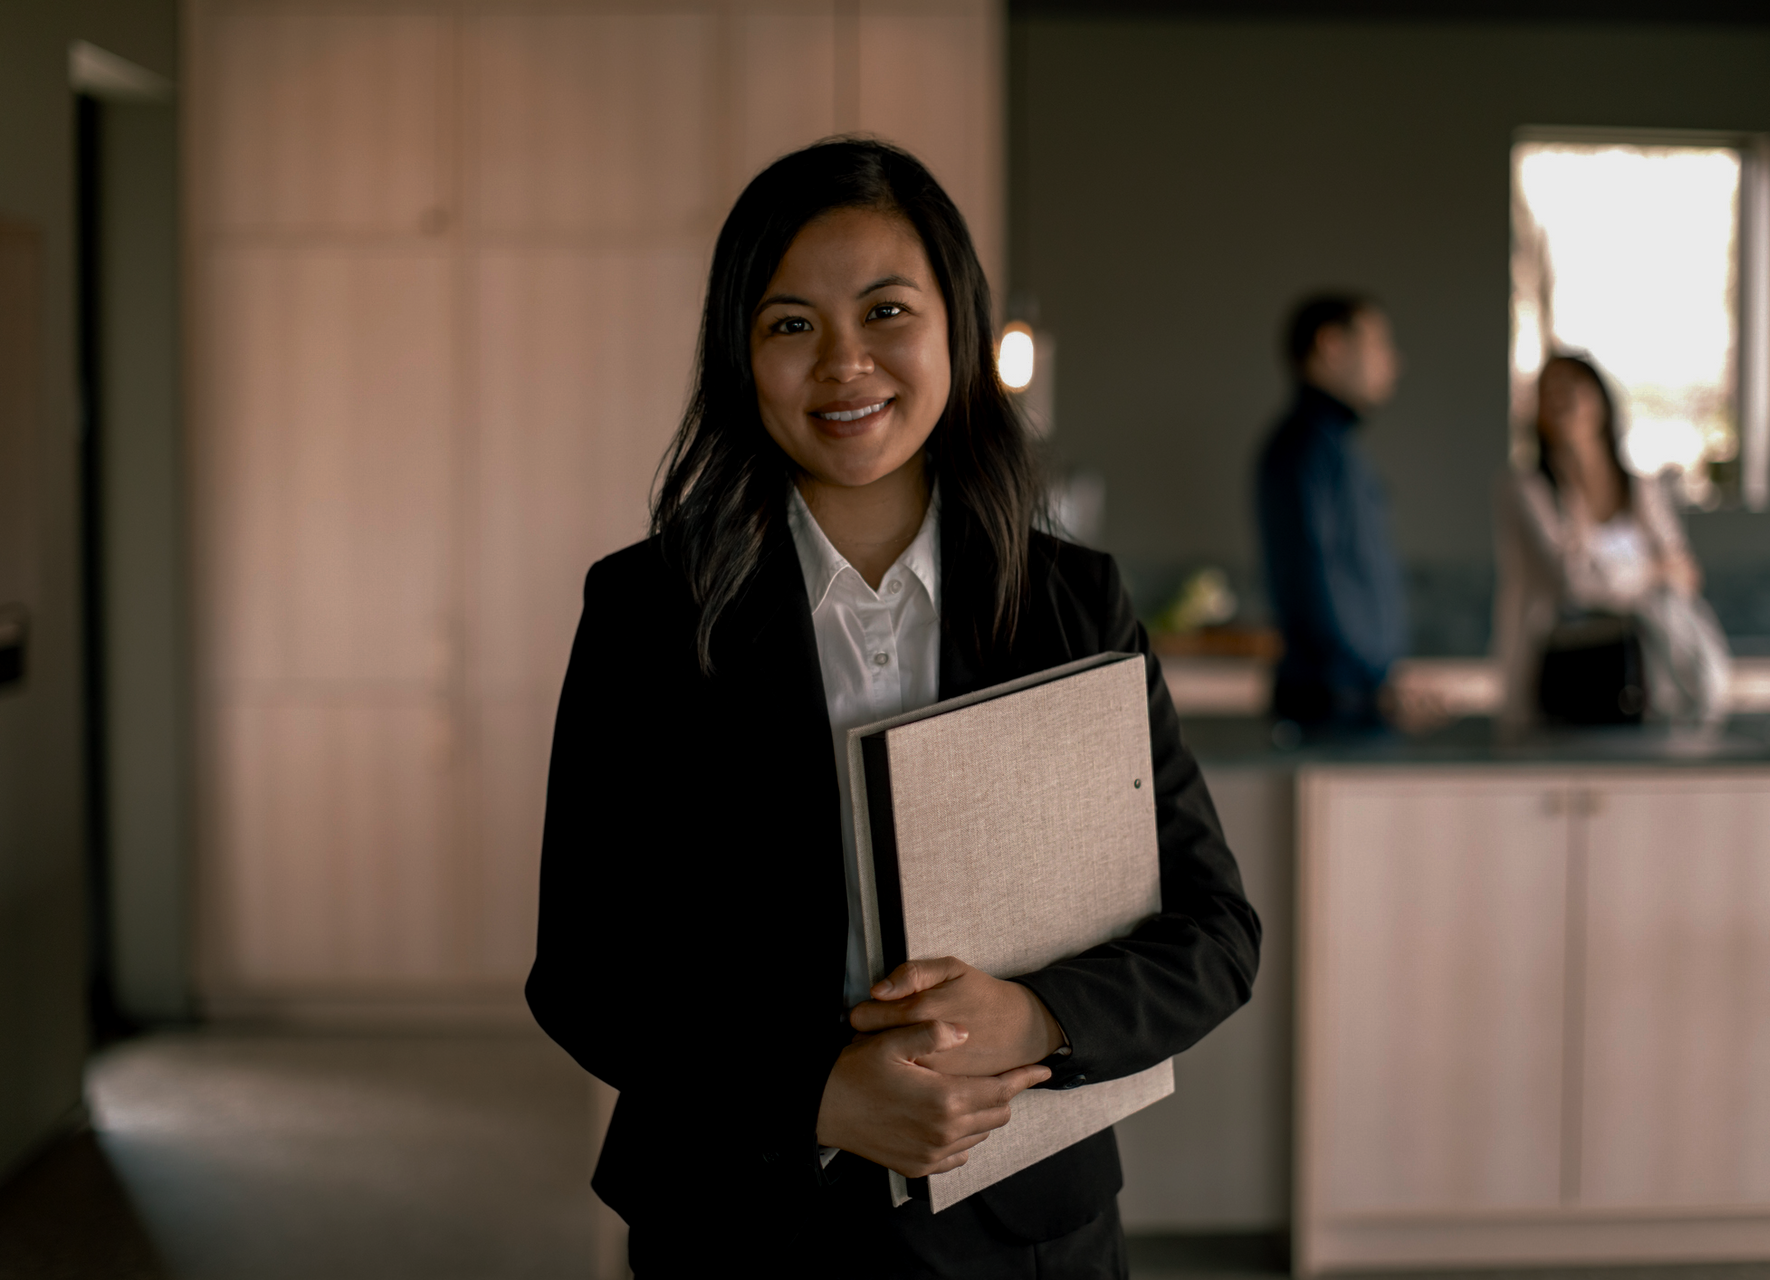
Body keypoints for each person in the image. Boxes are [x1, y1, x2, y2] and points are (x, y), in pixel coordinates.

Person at [525, 139, 1260, 1277]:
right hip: (737, 1215)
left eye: (885, 311)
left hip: (1029, 1229)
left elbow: (1215, 932)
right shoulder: (645, 610)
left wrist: (1036, 1018)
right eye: (791, 324)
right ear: (741, 352)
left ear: (955, 329)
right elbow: (587, 967)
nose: (844, 362)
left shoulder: (1070, 601)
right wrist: (814, 1093)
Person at [1494, 353, 1731, 733]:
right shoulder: (1529, 491)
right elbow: (1575, 582)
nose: (1562, 400)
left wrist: (1618, 575)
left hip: (1642, 681)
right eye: (1549, 392)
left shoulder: (1641, 490)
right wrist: (1651, 571)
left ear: (1600, 399)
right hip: (1558, 680)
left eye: (1572, 387)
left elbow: (1684, 573)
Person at [1255, 293, 1408, 732]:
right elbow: (1313, 577)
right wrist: (1370, 680)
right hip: (1333, 703)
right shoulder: (1306, 450)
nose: (1393, 362)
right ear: (1332, 345)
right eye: (1378, 344)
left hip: (1350, 696)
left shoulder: (1331, 447)